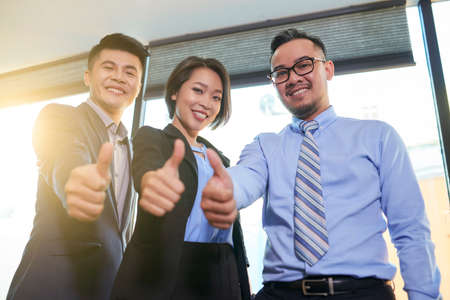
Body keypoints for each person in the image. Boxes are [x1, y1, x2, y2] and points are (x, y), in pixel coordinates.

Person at [201, 29, 442, 299]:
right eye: (281, 73)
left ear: (328, 69)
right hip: (280, 295)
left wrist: (423, 296)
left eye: (303, 65)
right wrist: (224, 190)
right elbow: (245, 177)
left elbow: (410, 227)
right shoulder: (264, 145)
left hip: (362, 293)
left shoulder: (377, 136)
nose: (292, 78)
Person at [7, 33, 148, 300]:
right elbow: (64, 153)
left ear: (138, 86)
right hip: (53, 288)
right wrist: (75, 178)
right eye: (108, 67)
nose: (119, 77)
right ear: (87, 77)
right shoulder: (61, 117)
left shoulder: (130, 147)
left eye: (130, 72)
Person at [111, 56, 250, 300]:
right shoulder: (153, 139)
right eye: (198, 90)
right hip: (169, 272)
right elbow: (147, 169)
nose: (206, 103)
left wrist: (239, 276)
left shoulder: (220, 159)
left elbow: (231, 230)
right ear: (175, 92)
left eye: (216, 97)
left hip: (221, 271)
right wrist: (152, 181)